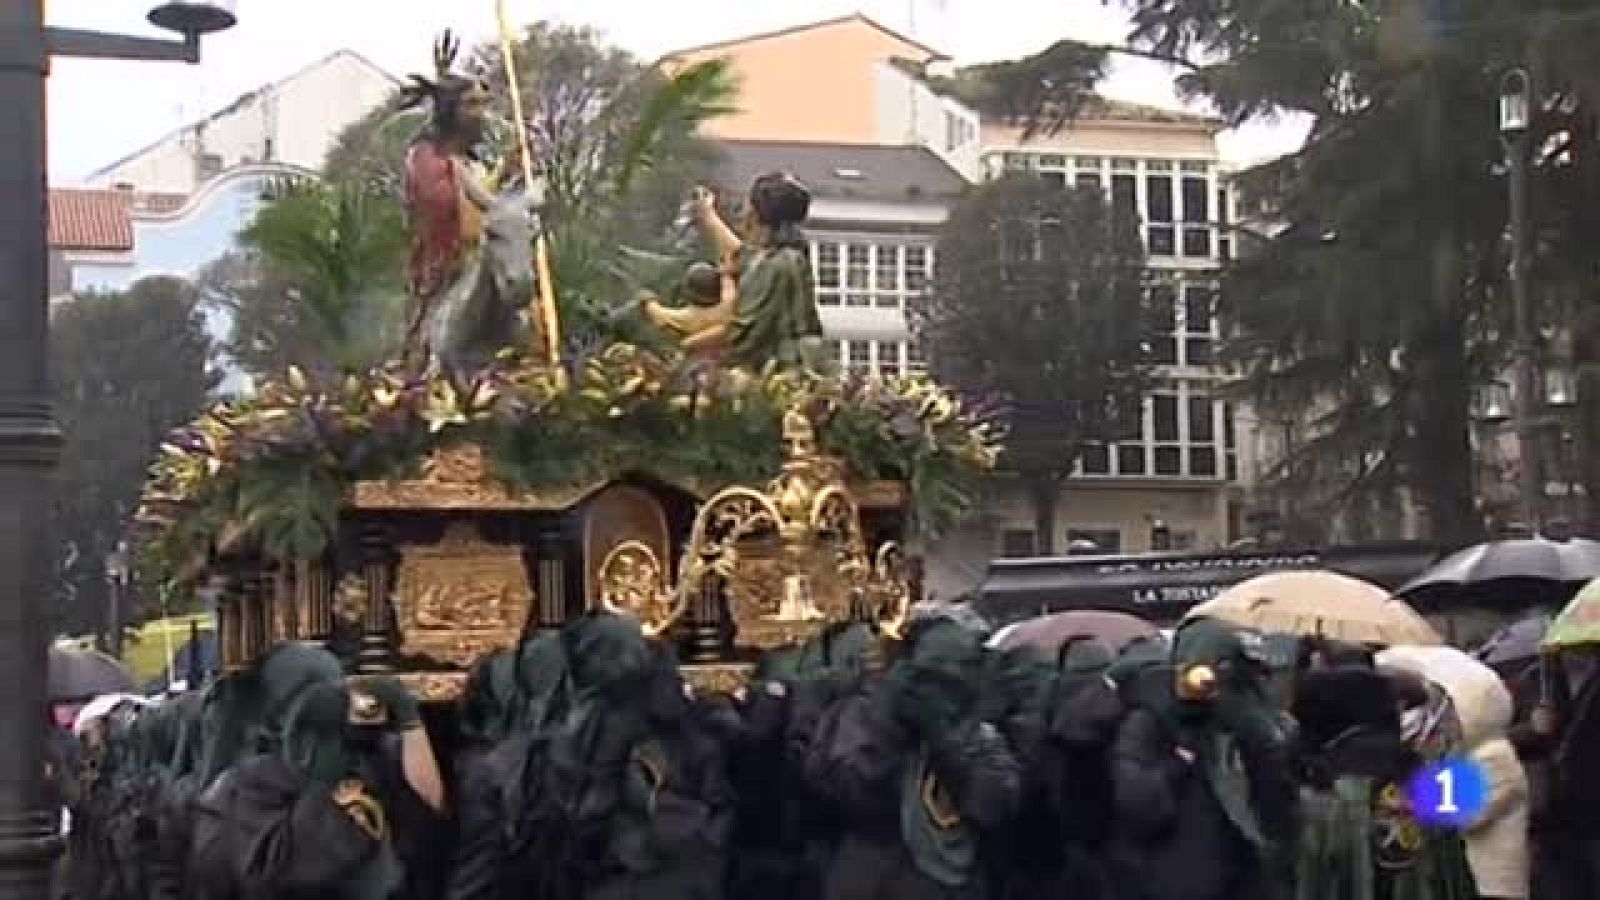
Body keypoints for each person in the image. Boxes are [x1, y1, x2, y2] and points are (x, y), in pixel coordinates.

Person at [687, 176, 826, 370]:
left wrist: (687, 345)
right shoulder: (789, 257)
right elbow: (740, 254)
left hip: (783, 371)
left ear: (755, 214)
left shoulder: (772, 266)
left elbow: (742, 332)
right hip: (805, 366)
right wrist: (708, 215)